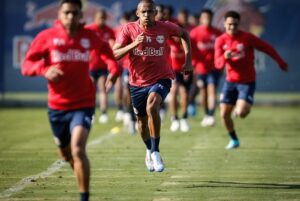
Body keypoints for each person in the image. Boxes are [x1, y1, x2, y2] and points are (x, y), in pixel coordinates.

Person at [21, 0, 120, 200]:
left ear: (80, 15)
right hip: (57, 107)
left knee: (78, 148)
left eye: (75, 13)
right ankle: (76, 167)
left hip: (83, 104)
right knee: (66, 154)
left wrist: (114, 69)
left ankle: (84, 197)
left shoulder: (89, 36)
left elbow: (107, 53)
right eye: (67, 13)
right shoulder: (46, 37)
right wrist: (44, 69)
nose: (71, 17)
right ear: (59, 14)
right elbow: (27, 65)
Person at [113, 0, 193, 172]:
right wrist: (135, 44)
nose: (147, 15)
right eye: (143, 12)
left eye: (150, 12)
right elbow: (115, 54)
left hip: (161, 78)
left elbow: (184, 34)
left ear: (155, 12)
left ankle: (156, 151)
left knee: (153, 106)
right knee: (141, 121)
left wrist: (188, 60)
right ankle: (149, 149)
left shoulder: (165, 27)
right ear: (137, 13)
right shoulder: (128, 29)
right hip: (137, 83)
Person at [214, 11, 288, 149]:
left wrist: (280, 62)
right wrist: (225, 57)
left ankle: (241, 106)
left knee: (241, 113)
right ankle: (234, 140)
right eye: (229, 24)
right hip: (230, 82)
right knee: (224, 114)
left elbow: (267, 48)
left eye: (235, 24)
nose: (232, 27)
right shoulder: (220, 41)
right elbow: (217, 65)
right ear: (224, 24)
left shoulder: (247, 38)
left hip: (247, 82)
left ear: (239, 24)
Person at [190, 9, 222, 127]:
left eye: (209, 17)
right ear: (201, 18)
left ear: (212, 18)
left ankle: (211, 115)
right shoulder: (194, 33)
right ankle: (206, 114)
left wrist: (221, 63)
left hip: (214, 68)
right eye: (204, 17)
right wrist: (192, 65)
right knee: (203, 93)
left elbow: (222, 50)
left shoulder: (217, 33)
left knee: (212, 90)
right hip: (200, 69)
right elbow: (190, 50)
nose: (207, 20)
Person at [86, 9, 119, 124]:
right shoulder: (89, 29)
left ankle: (104, 113)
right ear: (95, 18)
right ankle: (91, 113)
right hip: (90, 66)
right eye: (100, 18)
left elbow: (116, 42)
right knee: (90, 91)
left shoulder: (108, 30)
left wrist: (113, 49)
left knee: (103, 89)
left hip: (104, 66)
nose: (102, 20)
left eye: (104, 18)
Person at [168, 8, 194, 133]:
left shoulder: (187, 43)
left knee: (184, 94)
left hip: (185, 72)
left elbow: (193, 57)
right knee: (173, 92)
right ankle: (174, 119)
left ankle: (184, 118)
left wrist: (189, 70)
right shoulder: (168, 42)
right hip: (172, 72)